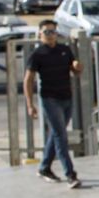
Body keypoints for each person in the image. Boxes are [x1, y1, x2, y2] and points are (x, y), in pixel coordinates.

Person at [23, 20, 82, 188]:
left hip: (66, 97)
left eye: (53, 32)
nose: (50, 35)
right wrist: (29, 103)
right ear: (40, 34)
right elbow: (28, 80)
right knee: (61, 136)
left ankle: (44, 167)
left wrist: (78, 67)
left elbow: (76, 71)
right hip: (50, 99)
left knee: (56, 134)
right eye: (46, 32)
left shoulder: (64, 50)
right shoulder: (37, 54)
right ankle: (71, 174)